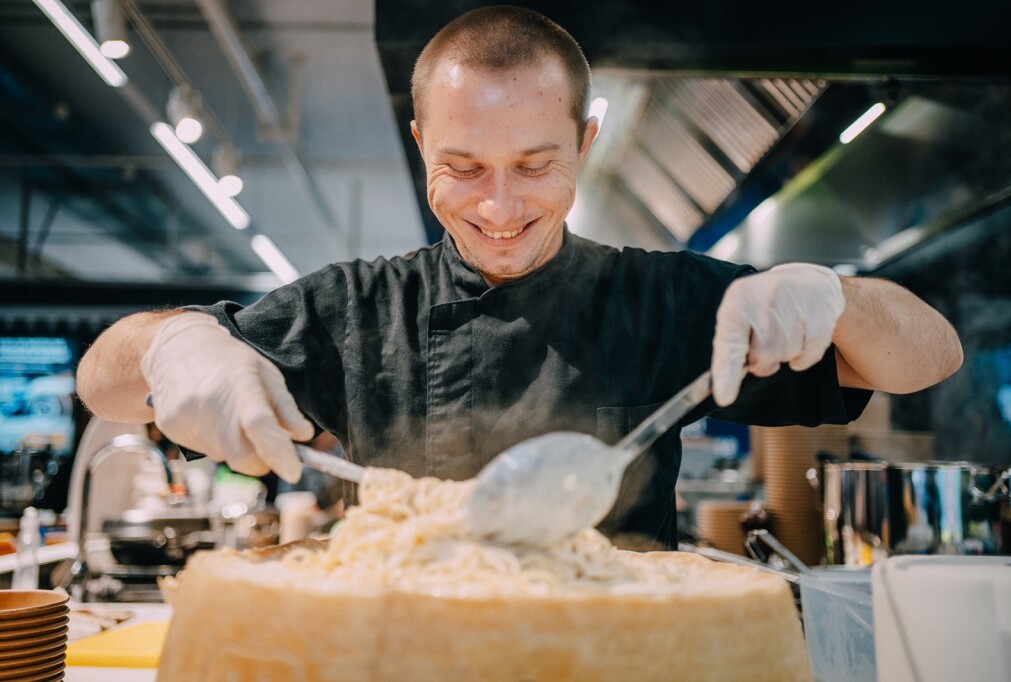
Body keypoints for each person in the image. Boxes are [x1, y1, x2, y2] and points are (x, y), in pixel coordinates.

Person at [76, 6, 962, 550]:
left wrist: (838, 298)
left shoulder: (665, 302)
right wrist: (174, 344)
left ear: (585, 143)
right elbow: (101, 383)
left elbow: (931, 356)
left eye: (535, 164)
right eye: (463, 167)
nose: (498, 207)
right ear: (421, 144)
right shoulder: (353, 308)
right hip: (403, 656)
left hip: (616, 659)